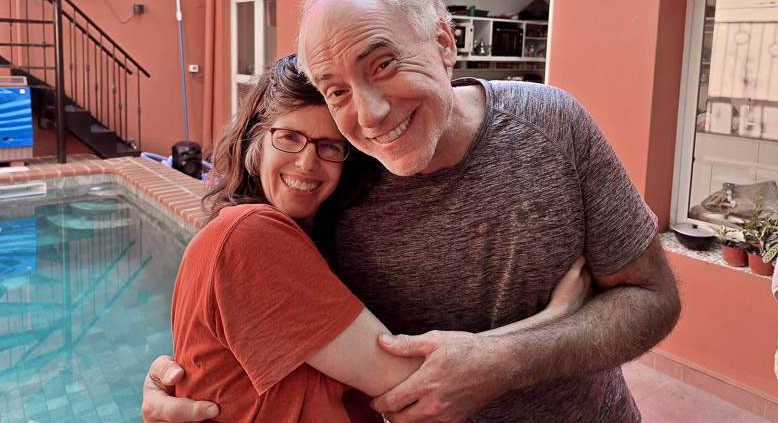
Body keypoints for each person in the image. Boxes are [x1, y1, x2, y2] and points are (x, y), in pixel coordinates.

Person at [143, 0, 681, 423]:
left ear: (444, 42)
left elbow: (652, 297)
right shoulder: (338, 179)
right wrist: (186, 377)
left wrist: (513, 358)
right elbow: (263, 292)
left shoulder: (553, 124)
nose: (371, 114)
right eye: (337, 90)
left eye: (383, 64)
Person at [166, 53, 591, 423]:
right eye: (289, 137)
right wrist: (556, 317)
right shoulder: (251, 234)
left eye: (330, 146)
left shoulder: (294, 239)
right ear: (256, 141)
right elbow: (416, 386)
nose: (308, 163)